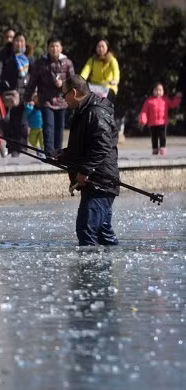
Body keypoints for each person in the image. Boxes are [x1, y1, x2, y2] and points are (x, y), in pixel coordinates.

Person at [58, 74, 119, 247]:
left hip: (100, 183)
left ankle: (91, 273)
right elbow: (87, 146)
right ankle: (110, 271)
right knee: (102, 233)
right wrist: (65, 154)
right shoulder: (85, 111)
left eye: (64, 95)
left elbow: (102, 145)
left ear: (74, 92)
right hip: (98, 182)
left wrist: (84, 171)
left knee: (86, 230)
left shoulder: (96, 112)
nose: (64, 99)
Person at [24, 37, 76, 159]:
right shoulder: (40, 63)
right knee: (48, 127)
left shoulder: (67, 63)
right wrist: (27, 97)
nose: (54, 49)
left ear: (61, 48)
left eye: (57, 46)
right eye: (52, 46)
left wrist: (63, 84)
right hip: (46, 101)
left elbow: (73, 81)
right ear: (48, 48)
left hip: (62, 101)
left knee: (59, 129)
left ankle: (59, 154)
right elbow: (32, 81)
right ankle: (49, 154)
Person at [0, 32, 31, 155]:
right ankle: (13, 147)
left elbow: (35, 74)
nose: (19, 43)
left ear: (25, 43)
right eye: (17, 41)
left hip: (24, 93)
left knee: (23, 122)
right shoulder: (7, 56)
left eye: (21, 41)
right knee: (8, 121)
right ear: (13, 43)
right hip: (9, 93)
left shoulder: (29, 57)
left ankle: (22, 146)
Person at [139, 82, 182, 155]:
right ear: (153, 91)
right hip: (152, 124)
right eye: (156, 90)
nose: (158, 92)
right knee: (154, 138)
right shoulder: (148, 101)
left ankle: (162, 148)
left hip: (162, 122)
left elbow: (173, 104)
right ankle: (155, 149)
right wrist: (143, 119)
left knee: (162, 137)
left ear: (163, 91)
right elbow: (144, 111)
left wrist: (178, 97)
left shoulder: (165, 100)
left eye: (160, 90)